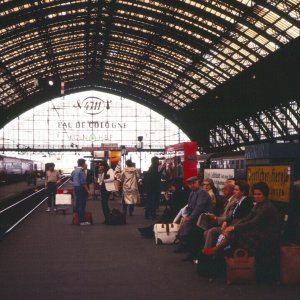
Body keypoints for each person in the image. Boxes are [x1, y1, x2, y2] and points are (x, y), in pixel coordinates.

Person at [210, 182, 281, 281]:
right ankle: (220, 256)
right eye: (255, 194)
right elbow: (246, 218)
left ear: (265, 194)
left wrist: (234, 228)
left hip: (267, 236)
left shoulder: (267, 207)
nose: (256, 196)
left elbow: (253, 222)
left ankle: (219, 256)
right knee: (234, 234)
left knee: (235, 235)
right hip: (259, 232)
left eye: (259, 194)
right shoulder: (258, 205)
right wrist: (233, 226)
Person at [174, 176, 212, 254]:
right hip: (196, 215)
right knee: (186, 220)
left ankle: (183, 241)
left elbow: (199, 208)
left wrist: (189, 217)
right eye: (190, 184)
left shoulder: (202, 192)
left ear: (198, 183)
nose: (192, 185)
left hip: (203, 216)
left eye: (194, 183)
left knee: (188, 222)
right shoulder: (192, 192)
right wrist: (187, 216)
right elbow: (190, 207)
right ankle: (183, 241)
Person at [71, 158, 91, 225]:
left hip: (76, 188)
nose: (86, 165)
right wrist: (88, 191)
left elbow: (71, 179)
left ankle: (77, 218)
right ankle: (82, 221)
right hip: (81, 188)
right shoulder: (81, 172)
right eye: (85, 163)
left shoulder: (74, 171)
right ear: (83, 164)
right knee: (82, 204)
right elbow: (83, 183)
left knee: (78, 203)